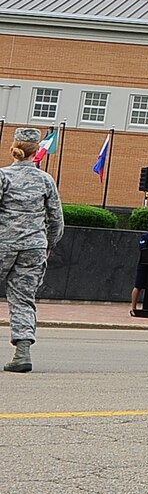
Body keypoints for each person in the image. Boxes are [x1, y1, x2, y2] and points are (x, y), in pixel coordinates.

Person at [0, 128, 64, 373]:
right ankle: (22, 352)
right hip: (34, 248)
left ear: (13, 149)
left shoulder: (3, 176)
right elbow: (56, 219)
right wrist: (48, 244)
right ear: (37, 151)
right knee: (23, 300)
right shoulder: (45, 180)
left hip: (3, 244)